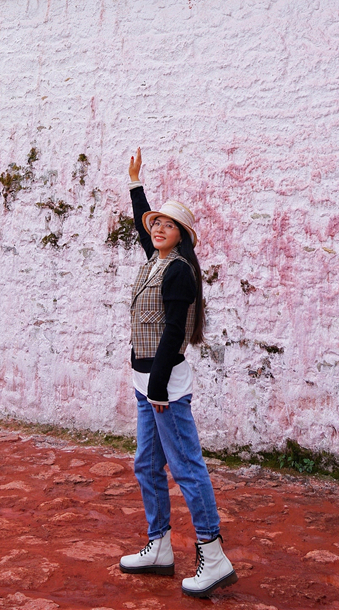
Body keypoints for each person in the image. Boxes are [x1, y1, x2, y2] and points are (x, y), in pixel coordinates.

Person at [119, 147, 237, 599]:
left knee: (187, 467)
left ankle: (213, 552)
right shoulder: (157, 261)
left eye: (167, 225)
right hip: (145, 381)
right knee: (147, 465)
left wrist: (159, 384)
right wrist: (135, 184)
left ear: (181, 236)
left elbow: (172, 334)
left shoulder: (179, 273)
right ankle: (160, 547)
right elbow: (140, 222)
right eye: (156, 224)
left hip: (163, 384)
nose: (157, 228)